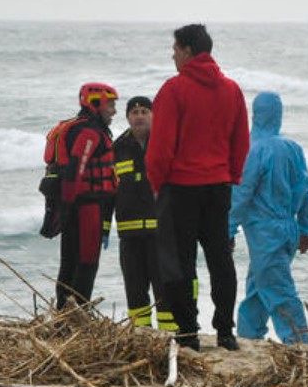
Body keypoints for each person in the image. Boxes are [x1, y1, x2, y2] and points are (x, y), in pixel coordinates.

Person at [147, 24, 250, 351]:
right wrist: (231, 175)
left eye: (175, 49)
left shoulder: (174, 90)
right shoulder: (231, 89)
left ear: (188, 51)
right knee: (220, 258)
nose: (172, 55)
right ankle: (225, 332)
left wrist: (155, 182)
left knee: (179, 261)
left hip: (180, 186)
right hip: (218, 185)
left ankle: (188, 331)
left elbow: (161, 145)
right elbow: (241, 141)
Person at [229, 92, 308, 345]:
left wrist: (228, 228)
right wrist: (306, 228)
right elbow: (307, 190)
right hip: (288, 227)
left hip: (264, 230)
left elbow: (241, 193)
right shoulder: (293, 148)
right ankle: (248, 337)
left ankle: (299, 344)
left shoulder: (252, 149)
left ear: (254, 114)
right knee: (259, 288)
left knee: (279, 290)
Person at [49, 83, 119, 309]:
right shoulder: (89, 132)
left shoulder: (80, 128)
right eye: (110, 105)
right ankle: (78, 314)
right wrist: (69, 206)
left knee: (69, 263)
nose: (114, 111)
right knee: (86, 263)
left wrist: (65, 208)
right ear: (96, 103)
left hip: (73, 206)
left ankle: (64, 313)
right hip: (86, 207)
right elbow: (77, 168)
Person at [113, 96, 175, 331]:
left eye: (144, 111)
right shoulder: (117, 148)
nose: (139, 116)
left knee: (165, 288)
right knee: (135, 288)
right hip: (129, 235)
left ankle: (171, 334)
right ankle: (141, 334)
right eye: (134, 112)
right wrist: (104, 227)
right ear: (127, 117)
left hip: (161, 232)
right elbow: (109, 191)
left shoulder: (165, 143)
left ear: (154, 116)